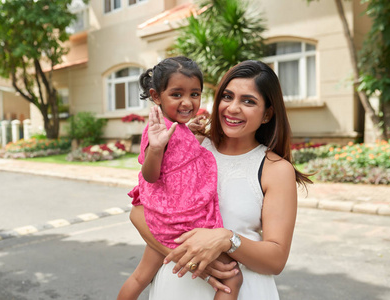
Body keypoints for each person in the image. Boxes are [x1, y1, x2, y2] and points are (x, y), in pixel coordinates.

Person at [130, 60, 313, 299]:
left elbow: (275, 260)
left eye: (248, 101)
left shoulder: (275, 169)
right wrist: (198, 262)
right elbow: (138, 211)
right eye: (227, 97)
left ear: (267, 114)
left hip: (243, 289)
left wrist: (227, 239)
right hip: (178, 285)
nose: (233, 108)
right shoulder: (192, 144)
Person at [117, 56, 243, 300]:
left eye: (194, 94)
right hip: (181, 221)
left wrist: (191, 132)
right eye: (177, 94)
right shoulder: (157, 130)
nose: (187, 102)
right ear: (156, 96)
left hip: (168, 217)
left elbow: (179, 161)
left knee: (141, 276)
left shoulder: (176, 126)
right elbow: (150, 175)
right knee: (231, 277)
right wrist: (155, 148)